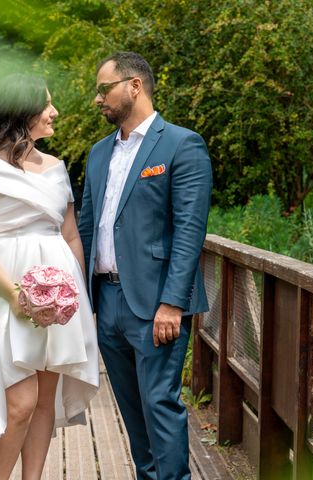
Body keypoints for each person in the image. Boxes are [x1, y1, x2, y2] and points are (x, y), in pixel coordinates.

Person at [0, 74, 99, 479]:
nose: (54, 112)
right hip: (2, 290)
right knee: (20, 403)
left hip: (56, 292)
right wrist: (14, 295)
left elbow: (70, 236)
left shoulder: (58, 168)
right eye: (46, 105)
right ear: (21, 112)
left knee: (45, 400)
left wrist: (76, 298)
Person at [78, 52, 212, 480]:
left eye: (104, 89)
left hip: (156, 303)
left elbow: (189, 231)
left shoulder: (181, 144)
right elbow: (85, 227)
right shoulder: (98, 154)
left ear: (134, 86)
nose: (97, 99)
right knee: (132, 411)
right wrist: (79, 298)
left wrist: (173, 303)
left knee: (160, 404)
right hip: (108, 300)